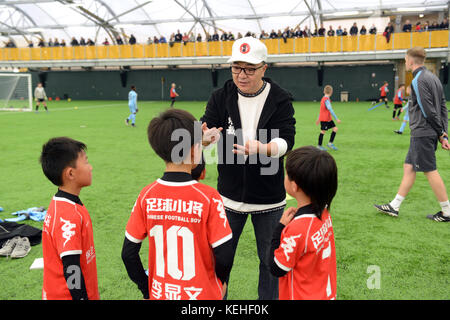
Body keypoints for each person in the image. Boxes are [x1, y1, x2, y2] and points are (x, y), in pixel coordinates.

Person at [200, 36, 296, 300]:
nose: (241, 75)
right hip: (228, 198)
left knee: (270, 264)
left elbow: (287, 140)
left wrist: (263, 149)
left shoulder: (280, 99)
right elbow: (207, 126)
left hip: (269, 200)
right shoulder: (221, 96)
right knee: (220, 263)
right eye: (236, 68)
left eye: (249, 69)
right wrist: (205, 136)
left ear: (264, 68)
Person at [121, 108, 233, 300]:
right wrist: (220, 282)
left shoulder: (146, 195)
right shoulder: (208, 197)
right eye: (200, 144)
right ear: (192, 149)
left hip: (161, 293)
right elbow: (224, 255)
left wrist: (146, 289)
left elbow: (128, 254)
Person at [374, 47, 450, 222]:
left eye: (405, 59)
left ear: (410, 60)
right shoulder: (434, 78)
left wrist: (441, 132)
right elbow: (443, 107)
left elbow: (428, 110)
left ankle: (447, 211)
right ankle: (395, 205)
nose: (405, 61)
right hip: (427, 131)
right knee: (409, 167)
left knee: (430, 170)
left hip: (422, 132)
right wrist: (443, 133)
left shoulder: (418, 80)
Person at [268, 146, 337, 299]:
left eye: (287, 174)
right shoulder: (325, 213)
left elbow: (277, 268)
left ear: (294, 186)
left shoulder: (297, 229)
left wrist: (279, 229)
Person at [39, 137, 98, 300]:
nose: (91, 167)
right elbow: (72, 268)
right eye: (86, 162)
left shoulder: (65, 204)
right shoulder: (68, 215)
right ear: (71, 173)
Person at [316, 85, 341, 151]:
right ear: (331, 92)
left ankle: (330, 143)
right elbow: (330, 109)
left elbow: (321, 110)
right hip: (325, 119)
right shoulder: (326, 100)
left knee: (335, 129)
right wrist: (336, 118)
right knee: (323, 131)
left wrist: (318, 118)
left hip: (328, 119)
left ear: (324, 91)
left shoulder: (323, 98)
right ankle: (319, 145)